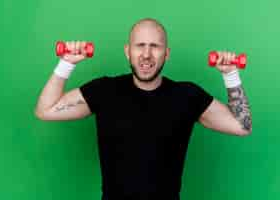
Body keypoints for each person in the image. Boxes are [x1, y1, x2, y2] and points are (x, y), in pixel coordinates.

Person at [35, 18, 252, 200]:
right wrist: (66, 63)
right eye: (140, 45)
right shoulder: (104, 91)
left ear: (166, 54)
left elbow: (242, 126)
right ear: (127, 51)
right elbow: (46, 110)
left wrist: (230, 74)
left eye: (154, 46)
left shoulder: (187, 96)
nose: (146, 54)